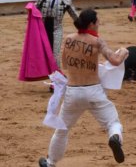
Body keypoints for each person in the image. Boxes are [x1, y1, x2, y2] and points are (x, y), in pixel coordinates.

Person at [38, 9, 129, 167]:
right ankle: (114, 137)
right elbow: (115, 61)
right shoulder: (97, 41)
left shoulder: (68, 39)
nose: (99, 25)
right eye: (98, 22)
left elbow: (65, 64)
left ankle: (50, 162)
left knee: (62, 130)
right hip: (93, 91)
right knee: (113, 123)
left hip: (73, 91)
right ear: (92, 24)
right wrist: (124, 52)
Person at [35, 0, 78, 68]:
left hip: (56, 28)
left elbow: (74, 14)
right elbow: (34, 9)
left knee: (55, 52)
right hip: (42, 27)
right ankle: (42, 69)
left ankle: (56, 71)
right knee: (41, 50)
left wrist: (82, 25)